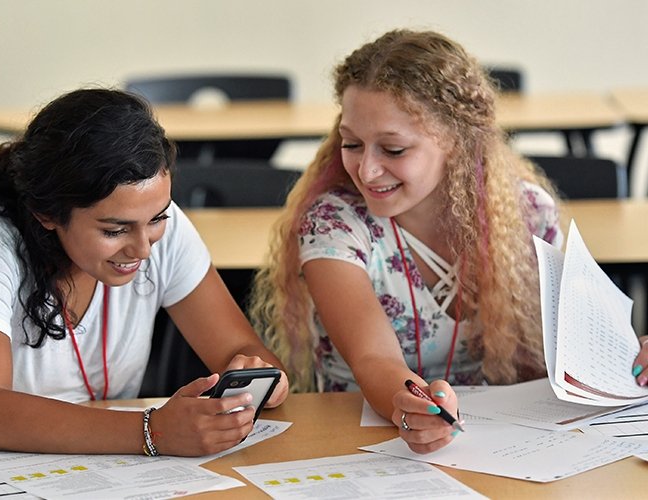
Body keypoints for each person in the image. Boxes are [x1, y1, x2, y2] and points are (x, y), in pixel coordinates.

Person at [250, 28, 645, 454]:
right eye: (352, 143)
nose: (366, 170)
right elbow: (373, 360)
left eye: (393, 150)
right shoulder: (333, 224)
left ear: (455, 143)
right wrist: (413, 408)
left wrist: (627, 358)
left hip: (508, 445)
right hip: (365, 441)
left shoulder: (527, 215)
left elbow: (574, 348)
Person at [0, 88, 289, 457]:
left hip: (89, 466)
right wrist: (154, 431)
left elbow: (245, 353)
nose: (143, 247)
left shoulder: (154, 226)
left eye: (157, 219)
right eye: (113, 230)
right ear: (47, 212)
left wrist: (260, 378)